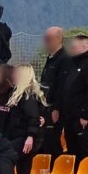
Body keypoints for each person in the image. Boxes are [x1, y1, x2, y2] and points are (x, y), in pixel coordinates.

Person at [57, 34, 88, 157]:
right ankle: (76, 172)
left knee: (86, 147)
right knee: (72, 148)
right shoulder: (71, 64)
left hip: (82, 117)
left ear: (84, 47)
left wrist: (85, 115)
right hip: (70, 116)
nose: (71, 49)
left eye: (74, 46)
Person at [0, 64, 45, 174]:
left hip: (24, 137)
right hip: (17, 135)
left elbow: (33, 117)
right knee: (22, 166)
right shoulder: (16, 94)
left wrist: (30, 136)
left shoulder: (28, 96)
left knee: (6, 157)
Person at [38, 26, 70, 155]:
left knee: (52, 141)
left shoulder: (65, 59)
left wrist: (57, 108)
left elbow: (63, 86)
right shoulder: (50, 58)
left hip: (55, 108)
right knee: (44, 141)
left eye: (48, 38)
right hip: (45, 105)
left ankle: (56, 168)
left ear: (58, 39)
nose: (45, 41)